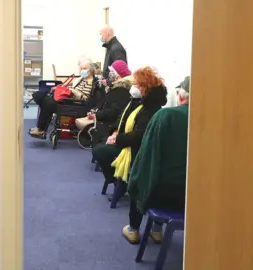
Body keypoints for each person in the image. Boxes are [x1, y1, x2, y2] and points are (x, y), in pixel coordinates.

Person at [122, 76, 191, 245]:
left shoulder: (166, 116)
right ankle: (156, 231)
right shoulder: (215, 119)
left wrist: (133, 181)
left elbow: (146, 158)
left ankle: (133, 229)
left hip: (165, 194)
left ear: (181, 95)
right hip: (197, 195)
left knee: (138, 179)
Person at [92, 67, 168, 200]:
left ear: (145, 87)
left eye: (136, 84)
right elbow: (121, 118)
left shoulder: (151, 108)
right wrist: (115, 132)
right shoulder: (135, 101)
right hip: (125, 139)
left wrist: (118, 139)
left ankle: (120, 183)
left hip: (135, 148)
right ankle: (117, 181)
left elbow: (139, 135)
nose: (133, 87)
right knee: (99, 144)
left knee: (100, 151)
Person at [28, 59, 102, 138]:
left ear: (90, 70)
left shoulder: (92, 83)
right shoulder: (82, 79)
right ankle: (41, 129)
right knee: (42, 97)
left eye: (84, 69)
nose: (82, 71)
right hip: (70, 100)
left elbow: (85, 99)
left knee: (47, 103)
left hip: (76, 105)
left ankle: (41, 129)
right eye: (81, 69)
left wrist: (73, 91)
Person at [75, 60, 133, 142]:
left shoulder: (121, 90)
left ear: (118, 74)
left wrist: (97, 114)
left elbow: (114, 112)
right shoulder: (114, 88)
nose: (109, 73)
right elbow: (105, 103)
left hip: (108, 124)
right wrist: (95, 111)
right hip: (105, 119)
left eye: (112, 71)